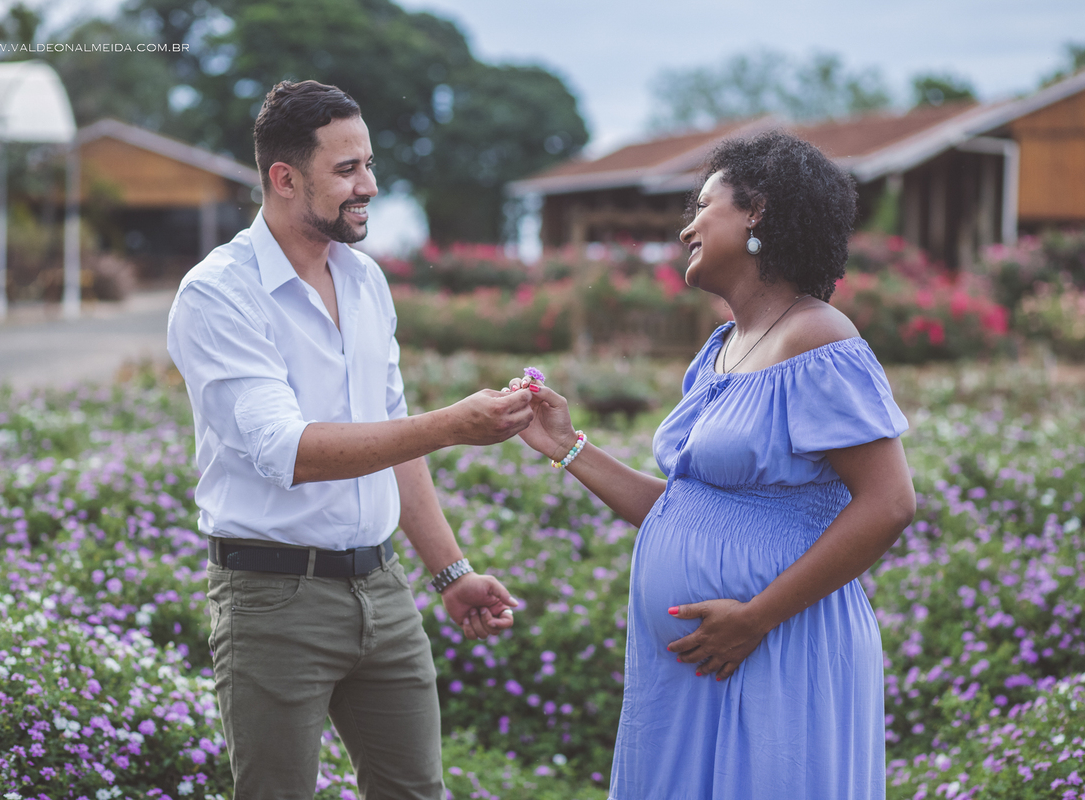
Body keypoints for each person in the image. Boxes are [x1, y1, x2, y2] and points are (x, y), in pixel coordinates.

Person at [508, 130, 917, 799]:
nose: (687, 228)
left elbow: (889, 502)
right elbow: (686, 508)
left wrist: (757, 617)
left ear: (757, 211)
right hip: (705, 660)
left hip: (775, 643)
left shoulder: (818, 337)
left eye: (703, 206)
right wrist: (567, 447)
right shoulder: (723, 347)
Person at [166, 80, 534, 800]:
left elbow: (394, 439)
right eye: (346, 170)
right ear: (284, 179)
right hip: (273, 597)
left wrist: (452, 574)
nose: (369, 185)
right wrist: (453, 425)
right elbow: (287, 451)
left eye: (368, 164)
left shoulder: (364, 280)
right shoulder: (218, 294)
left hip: (384, 589)